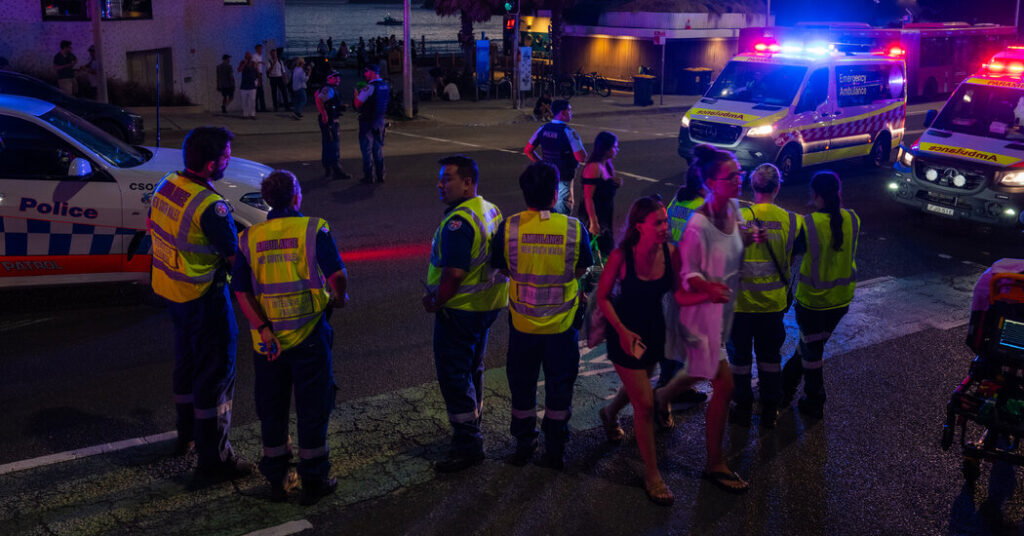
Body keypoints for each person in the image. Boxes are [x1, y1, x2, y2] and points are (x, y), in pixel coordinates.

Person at [232, 170, 347, 505]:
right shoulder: (313, 228)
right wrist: (339, 298)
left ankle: (277, 477)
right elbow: (338, 276)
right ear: (296, 196)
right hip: (309, 333)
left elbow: (241, 291)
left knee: (272, 408)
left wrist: (263, 327)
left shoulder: (249, 237)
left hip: (267, 342)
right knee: (313, 408)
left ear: (267, 200)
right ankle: (314, 479)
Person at [148, 126, 253, 481]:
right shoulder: (212, 207)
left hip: (171, 290)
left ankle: (187, 436)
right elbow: (233, 258)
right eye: (225, 155)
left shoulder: (168, 183)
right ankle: (215, 459)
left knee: (187, 365)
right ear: (211, 165)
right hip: (204, 297)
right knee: (216, 376)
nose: (228, 160)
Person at [596, 196, 714, 506]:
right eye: (658, 222)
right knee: (645, 404)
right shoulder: (622, 256)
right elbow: (604, 298)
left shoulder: (670, 252)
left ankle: (609, 413)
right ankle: (652, 474)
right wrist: (622, 332)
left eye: (665, 221)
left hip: (653, 330)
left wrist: (705, 299)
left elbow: (679, 295)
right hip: (624, 331)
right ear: (639, 227)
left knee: (642, 385)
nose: (665, 227)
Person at [654, 144, 756, 494]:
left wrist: (750, 238)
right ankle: (715, 462)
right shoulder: (698, 224)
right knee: (724, 385)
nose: (739, 180)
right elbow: (686, 275)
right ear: (712, 182)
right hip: (699, 314)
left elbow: (736, 242)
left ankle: (661, 396)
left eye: (739, 173)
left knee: (698, 372)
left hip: (722, 311)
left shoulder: (736, 209)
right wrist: (708, 288)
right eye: (732, 177)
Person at [491, 161, 593, 469]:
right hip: (562, 329)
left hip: (523, 327)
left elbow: (503, 267)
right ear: (554, 195)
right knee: (559, 389)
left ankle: (524, 443)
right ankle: (555, 448)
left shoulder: (509, 227)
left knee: (522, 387)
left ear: (525, 194)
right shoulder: (574, 229)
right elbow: (581, 269)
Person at [422, 155, 509, 473]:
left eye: (447, 179)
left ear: (468, 183)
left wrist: (437, 301)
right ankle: (474, 424)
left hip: (460, 310)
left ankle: (468, 444)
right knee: (474, 368)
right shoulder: (490, 209)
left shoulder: (458, 223)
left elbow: (454, 274)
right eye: (440, 178)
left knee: (454, 375)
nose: (440, 185)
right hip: (488, 305)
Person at [727, 163, 804, 429]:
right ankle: (771, 408)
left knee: (739, 360)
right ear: (777, 187)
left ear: (753, 185)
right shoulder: (793, 220)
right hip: (772, 305)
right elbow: (792, 258)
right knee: (770, 359)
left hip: (740, 304)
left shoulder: (737, 217)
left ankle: (741, 406)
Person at [781, 171, 860, 418]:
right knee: (810, 344)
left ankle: (815, 397)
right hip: (841, 300)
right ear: (838, 192)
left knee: (812, 350)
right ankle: (785, 386)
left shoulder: (810, 224)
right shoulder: (853, 218)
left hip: (813, 302)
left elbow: (791, 255)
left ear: (814, 194)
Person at [658, 169, 711, 405]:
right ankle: (677, 387)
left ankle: (666, 378)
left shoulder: (677, 200)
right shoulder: (703, 207)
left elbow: (666, 231)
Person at [523, 100, 587, 215]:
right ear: (562, 112)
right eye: (569, 110)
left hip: (547, 176)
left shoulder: (543, 129)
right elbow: (581, 157)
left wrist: (542, 163)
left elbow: (528, 150)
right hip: (564, 176)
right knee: (563, 209)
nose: (571, 112)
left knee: (546, 209)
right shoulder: (568, 132)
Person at [579, 131, 621, 260]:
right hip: (595, 215)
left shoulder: (606, 164)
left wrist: (615, 182)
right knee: (597, 251)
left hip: (605, 214)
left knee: (604, 251)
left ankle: (600, 276)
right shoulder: (593, 168)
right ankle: (594, 278)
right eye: (614, 146)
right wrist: (593, 222)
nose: (617, 149)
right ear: (606, 149)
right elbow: (588, 196)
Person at [353, 64, 389, 184]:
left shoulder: (369, 87)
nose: (365, 74)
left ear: (373, 72)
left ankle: (369, 176)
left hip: (368, 122)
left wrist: (355, 96)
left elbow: (358, 104)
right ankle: (381, 175)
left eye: (367, 72)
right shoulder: (385, 85)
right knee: (378, 149)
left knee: (367, 150)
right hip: (380, 121)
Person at [315, 70, 352, 180]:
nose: (338, 79)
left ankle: (328, 169)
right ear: (329, 78)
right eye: (335, 77)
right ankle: (336, 170)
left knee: (327, 144)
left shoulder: (327, 88)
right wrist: (324, 113)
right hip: (330, 121)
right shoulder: (328, 89)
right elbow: (320, 99)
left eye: (338, 77)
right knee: (333, 145)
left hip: (328, 119)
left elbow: (318, 97)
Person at [237, 52, 258, 119]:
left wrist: (258, 81)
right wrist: (244, 64)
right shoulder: (242, 62)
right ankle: (245, 114)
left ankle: (252, 114)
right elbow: (239, 70)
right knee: (244, 101)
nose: (249, 58)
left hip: (252, 85)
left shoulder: (254, 63)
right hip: (244, 85)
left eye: (249, 57)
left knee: (252, 100)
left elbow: (257, 71)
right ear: (245, 57)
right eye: (247, 57)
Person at [253, 43, 267, 113]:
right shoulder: (255, 56)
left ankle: (262, 107)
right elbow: (255, 66)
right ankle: (256, 108)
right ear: (256, 49)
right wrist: (258, 76)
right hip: (257, 75)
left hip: (260, 74)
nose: (261, 50)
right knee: (257, 91)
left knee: (260, 91)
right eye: (260, 48)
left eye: (261, 48)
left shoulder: (260, 56)